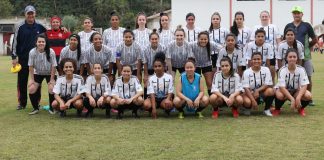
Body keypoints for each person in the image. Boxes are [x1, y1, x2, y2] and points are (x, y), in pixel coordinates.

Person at [12, 5, 47, 110]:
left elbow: (50, 35)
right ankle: (22, 103)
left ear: (35, 14)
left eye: (32, 13)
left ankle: (36, 103)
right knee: (22, 82)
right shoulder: (19, 26)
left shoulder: (41, 26)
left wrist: (62, 28)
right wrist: (14, 57)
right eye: (28, 13)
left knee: (37, 82)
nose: (30, 15)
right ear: (25, 14)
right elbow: (15, 43)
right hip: (23, 59)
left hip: (37, 60)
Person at [284, 6, 317, 106]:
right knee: (290, 77)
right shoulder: (288, 25)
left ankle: (308, 98)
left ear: (302, 14)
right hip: (291, 57)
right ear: (293, 14)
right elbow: (284, 39)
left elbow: (314, 39)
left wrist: (306, 47)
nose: (296, 15)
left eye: (298, 13)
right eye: (295, 13)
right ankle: (289, 97)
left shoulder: (307, 25)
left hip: (305, 56)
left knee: (308, 77)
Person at [272, 48, 312, 116]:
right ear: (286, 58)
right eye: (290, 57)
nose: (292, 59)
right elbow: (282, 87)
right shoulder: (282, 70)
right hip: (284, 91)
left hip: (296, 91)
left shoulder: (301, 69)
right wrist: (292, 99)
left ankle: (301, 109)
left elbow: (304, 85)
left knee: (308, 95)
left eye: (294, 57)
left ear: (297, 58)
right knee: (279, 95)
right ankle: (277, 109)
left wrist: (298, 97)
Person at [27, 34, 57, 115]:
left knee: (51, 88)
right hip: (38, 73)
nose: (41, 43)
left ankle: (52, 108)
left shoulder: (51, 51)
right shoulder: (32, 52)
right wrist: (32, 80)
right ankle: (35, 108)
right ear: (36, 43)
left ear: (45, 43)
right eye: (39, 41)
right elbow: (31, 66)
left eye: (43, 42)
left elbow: (54, 66)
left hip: (49, 73)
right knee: (31, 88)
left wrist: (52, 79)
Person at [250, 10, 281, 81]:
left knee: (272, 70)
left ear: (269, 17)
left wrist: (279, 52)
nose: (264, 18)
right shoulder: (255, 27)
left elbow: (278, 41)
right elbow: (252, 41)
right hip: (259, 54)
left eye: (266, 16)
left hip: (272, 54)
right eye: (262, 16)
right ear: (260, 18)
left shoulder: (274, 27)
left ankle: (272, 85)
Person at [242, 52, 274, 116]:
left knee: (271, 90)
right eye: (254, 59)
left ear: (261, 60)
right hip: (250, 93)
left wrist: (257, 90)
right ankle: (247, 108)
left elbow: (267, 84)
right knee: (247, 102)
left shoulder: (266, 69)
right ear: (251, 61)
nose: (256, 61)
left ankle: (266, 110)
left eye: (258, 59)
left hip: (261, 93)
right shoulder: (246, 72)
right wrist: (253, 101)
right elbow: (246, 88)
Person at [190, 31, 222, 95]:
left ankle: (211, 97)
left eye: (205, 39)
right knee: (196, 82)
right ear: (198, 39)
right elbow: (185, 47)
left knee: (209, 82)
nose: (203, 41)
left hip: (207, 64)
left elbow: (222, 48)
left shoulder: (211, 44)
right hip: (196, 65)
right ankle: (195, 96)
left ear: (208, 39)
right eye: (201, 39)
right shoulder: (192, 44)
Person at [143, 52, 174, 119]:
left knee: (168, 104)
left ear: (163, 67)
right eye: (155, 66)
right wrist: (154, 109)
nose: (157, 68)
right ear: (153, 68)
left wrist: (168, 100)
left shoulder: (169, 77)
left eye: (159, 66)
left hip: (164, 98)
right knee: (146, 105)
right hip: (154, 98)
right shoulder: (151, 78)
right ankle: (151, 110)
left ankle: (166, 110)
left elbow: (170, 91)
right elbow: (151, 94)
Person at [102, 11, 126, 85]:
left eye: (116, 19)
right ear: (110, 21)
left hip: (121, 58)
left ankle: (121, 93)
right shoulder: (106, 32)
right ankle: (111, 94)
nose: (114, 21)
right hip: (110, 59)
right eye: (113, 20)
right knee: (111, 78)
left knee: (121, 77)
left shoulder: (123, 30)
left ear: (119, 21)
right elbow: (104, 46)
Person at [143, 29, 166, 98]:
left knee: (161, 81)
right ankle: (146, 98)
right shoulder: (145, 49)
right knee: (147, 82)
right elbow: (145, 63)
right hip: (150, 69)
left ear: (158, 39)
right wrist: (146, 75)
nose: (154, 41)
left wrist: (163, 73)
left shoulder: (163, 47)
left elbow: (164, 62)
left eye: (156, 39)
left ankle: (161, 97)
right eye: (152, 39)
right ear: (149, 40)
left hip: (160, 69)